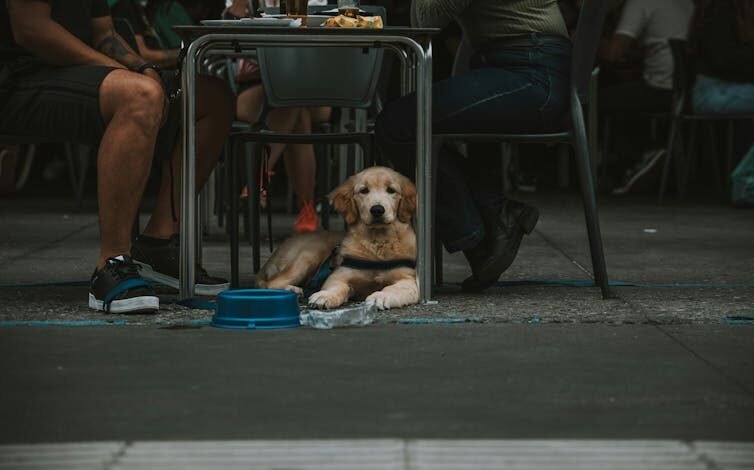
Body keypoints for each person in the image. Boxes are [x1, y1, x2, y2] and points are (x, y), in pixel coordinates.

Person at [0, 0, 235, 313]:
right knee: (140, 96)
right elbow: (32, 30)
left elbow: (104, 33)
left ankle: (158, 244)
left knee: (212, 99)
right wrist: (123, 73)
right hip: (19, 79)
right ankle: (112, 264)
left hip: (77, 73)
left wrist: (144, 68)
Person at [375, 0, 571, 292]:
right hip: (516, 66)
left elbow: (424, 19)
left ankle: (484, 232)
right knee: (402, 123)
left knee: (399, 124)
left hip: (532, 74)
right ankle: (494, 218)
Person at [222, 0, 331, 233]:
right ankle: (307, 209)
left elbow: (325, 26)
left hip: (314, 85)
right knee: (294, 106)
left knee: (293, 97)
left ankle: (258, 179)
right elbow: (226, 27)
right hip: (257, 88)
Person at [598, 0, 695, 194]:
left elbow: (613, 54)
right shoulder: (687, 3)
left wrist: (581, 39)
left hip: (660, 87)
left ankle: (637, 157)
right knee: (626, 94)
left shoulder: (640, 3)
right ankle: (649, 154)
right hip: (686, 89)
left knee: (594, 101)